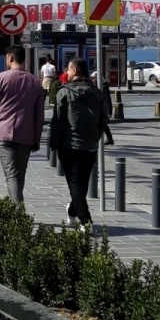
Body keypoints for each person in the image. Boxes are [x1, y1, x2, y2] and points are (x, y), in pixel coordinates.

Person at [0, 44, 45, 204]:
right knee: (19, 175)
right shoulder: (35, 82)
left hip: (4, 133)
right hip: (26, 135)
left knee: (11, 175)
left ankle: (19, 214)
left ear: (10, 58)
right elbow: (39, 115)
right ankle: (16, 208)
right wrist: (36, 139)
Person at [52, 58, 111, 230]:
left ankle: (85, 220)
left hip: (69, 146)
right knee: (81, 183)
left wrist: (54, 144)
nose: (66, 73)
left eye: (68, 70)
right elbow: (104, 119)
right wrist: (96, 136)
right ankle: (72, 210)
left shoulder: (64, 93)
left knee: (76, 184)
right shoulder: (98, 93)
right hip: (90, 145)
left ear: (75, 71)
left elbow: (58, 121)